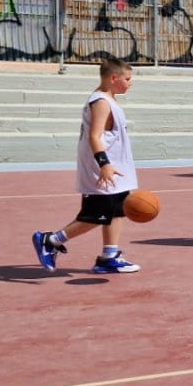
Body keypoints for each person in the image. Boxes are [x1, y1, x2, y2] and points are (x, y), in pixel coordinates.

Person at [30, 59, 143, 274]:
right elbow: (94, 136)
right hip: (102, 169)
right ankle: (51, 240)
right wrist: (104, 164)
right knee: (96, 215)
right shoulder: (101, 101)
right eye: (127, 79)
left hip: (116, 168)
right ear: (113, 78)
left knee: (118, 211)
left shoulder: (109, 98)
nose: (131, 83)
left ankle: (109, 257)